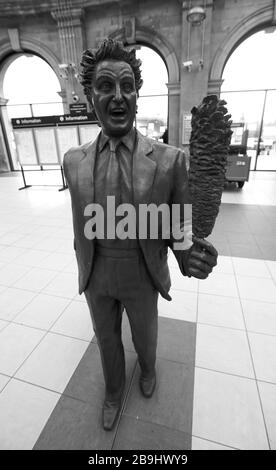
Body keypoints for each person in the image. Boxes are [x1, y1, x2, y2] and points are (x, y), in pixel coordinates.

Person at [63, 38, 217, 431]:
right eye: (105, 86)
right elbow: (80, 219)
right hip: (96, 272)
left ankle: (148, 367)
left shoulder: (170, 161)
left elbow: (178, 225)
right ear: (89, 95)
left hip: (141, 270)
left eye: (127, 85)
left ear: (137, 94)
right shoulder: (74, 161)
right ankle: (114, 390)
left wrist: (187, 255)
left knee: (145, 335)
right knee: (106, 339)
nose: (118, 96)